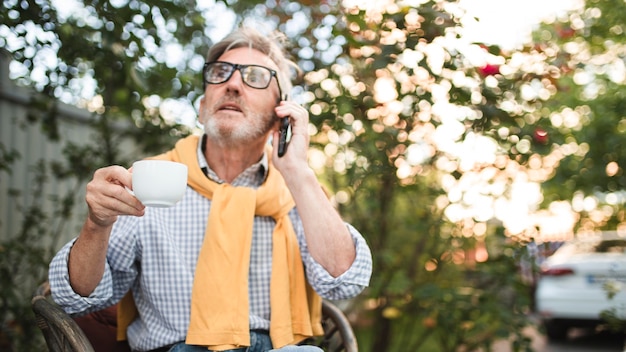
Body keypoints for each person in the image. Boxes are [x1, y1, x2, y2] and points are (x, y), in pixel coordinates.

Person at [48, 26, 373, 352]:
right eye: (220, 73)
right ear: (203, 108)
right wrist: (96, 224)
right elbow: (74, 299)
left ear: (281, 117)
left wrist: (299, 173)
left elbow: (346, 282)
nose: (232, 84)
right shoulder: (149, 179)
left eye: (256, 77)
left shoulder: (297, 192)